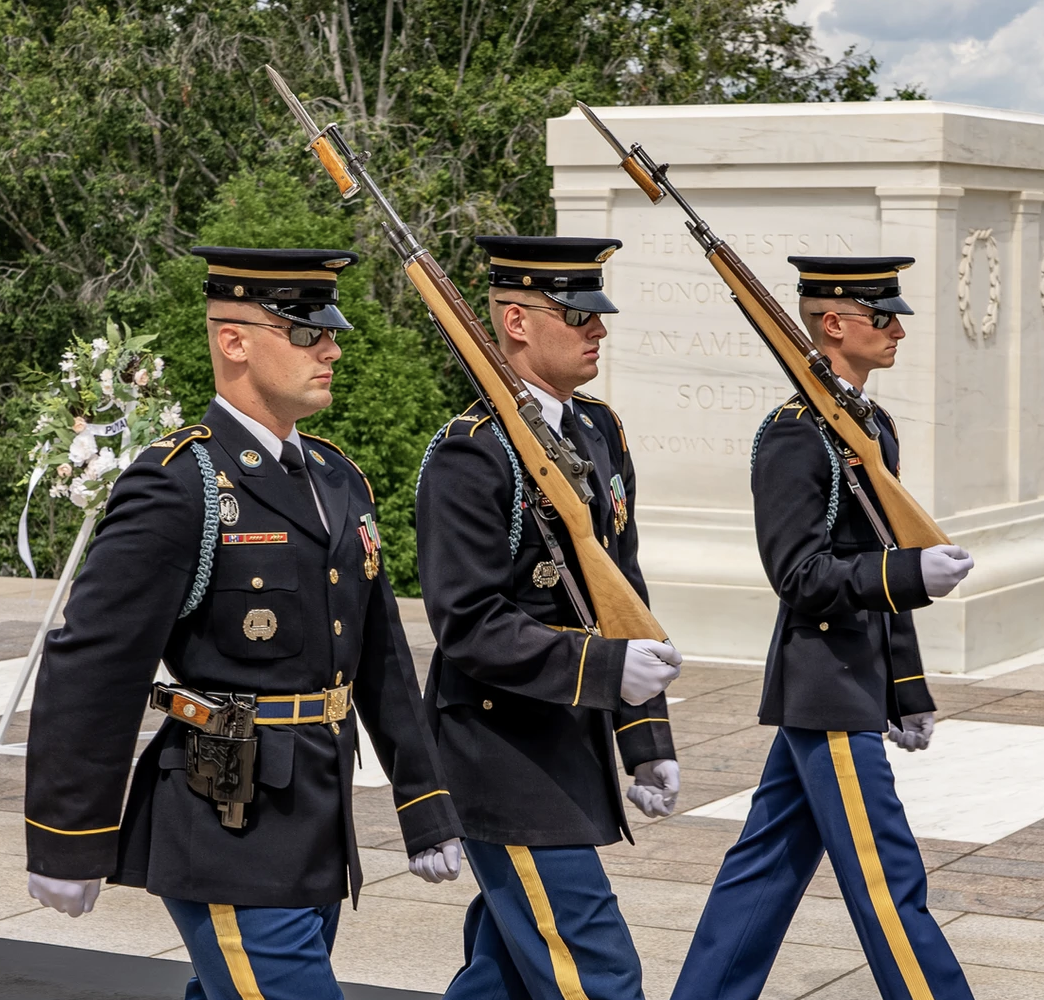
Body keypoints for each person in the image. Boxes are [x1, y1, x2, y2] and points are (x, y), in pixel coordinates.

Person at [24, 247, 464, 1000]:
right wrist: (66, 838)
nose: (329, 346)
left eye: (330, 330)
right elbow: (94, 663)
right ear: (233, 341)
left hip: (317, 817)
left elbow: (381, 655)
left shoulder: (337, 477)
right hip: (226, 820)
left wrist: (424, 801)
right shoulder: (180, 483)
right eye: (304, 331)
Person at [671, 256, 976, 1000]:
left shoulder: (871, 426)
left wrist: (906, 687)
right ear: (833, 325)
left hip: (847, 687)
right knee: (887, 879)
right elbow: (798, 575)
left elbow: (882, 545)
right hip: (826, 687)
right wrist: (910, 577)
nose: (898, 328)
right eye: (883, 317)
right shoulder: (793, 435)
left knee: (764, 872)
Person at [416, 235, 682, 1000]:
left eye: (597, 312)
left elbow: (620, 589)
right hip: (503, 756)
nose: (598, 328)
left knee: (502, 977)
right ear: (516, 322)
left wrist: (645, 735)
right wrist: (605, 672)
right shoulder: (470, 454)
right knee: (595, 973)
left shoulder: (598, 431)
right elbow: (466, 623)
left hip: (568, 745)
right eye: (575, 313)